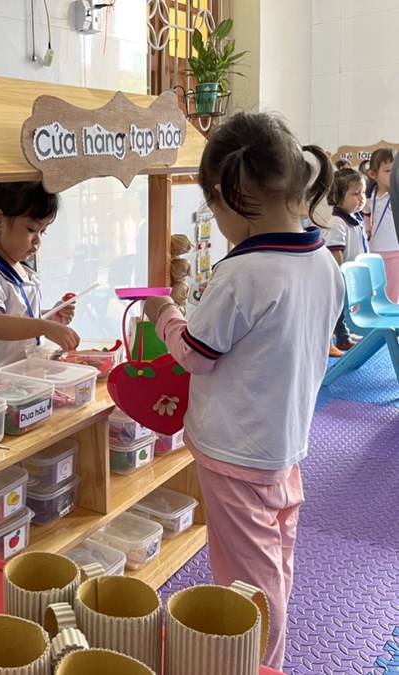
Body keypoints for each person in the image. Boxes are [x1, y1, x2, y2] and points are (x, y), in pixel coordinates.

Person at [142, 111, 344, 671]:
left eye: (213, 207)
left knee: (246, 584)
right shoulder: (324, 262)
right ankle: (265, 656)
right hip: (284, 444)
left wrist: (164, 313)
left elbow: (195, 354)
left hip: (236, 453)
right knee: (274, 561)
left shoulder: (244, 273)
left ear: (232, 196)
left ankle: (257, 663)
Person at [0, 181, 79, 375]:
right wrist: (44, 327)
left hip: (21, 379)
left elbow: (18, 315)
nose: (38, 240)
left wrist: (49, 316)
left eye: (43, 231)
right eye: (31, 229)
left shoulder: (22, 270)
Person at [322, 168, 367, 356]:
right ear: (337, 197)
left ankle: (343, 337)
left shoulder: (356, 218)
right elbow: (335, 251)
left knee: (343, 309)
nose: (361, 198)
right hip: (339, 275)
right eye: (355, 194)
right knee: (333, 310)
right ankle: (327, 342)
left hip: (351, 275)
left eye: (363, 192)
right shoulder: (337, 222)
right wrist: (339, 275)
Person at [364, 148, 399, 301]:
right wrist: (368, 229)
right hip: (374, 251)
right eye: (388, 170)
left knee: (392, 296)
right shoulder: (369, 195)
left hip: (395, 252)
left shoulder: (396, 195)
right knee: (374, 292)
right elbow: (365, 213)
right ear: (373, 174)